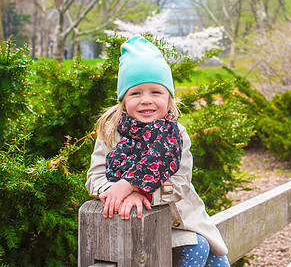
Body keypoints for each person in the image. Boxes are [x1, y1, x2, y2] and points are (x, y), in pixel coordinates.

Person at [86, 36, 230, 267]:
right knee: (198, 247)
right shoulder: (111, 132)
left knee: (213, 256)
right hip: (135, 225)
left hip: (180, 220)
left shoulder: (176, 134)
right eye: (135, 93)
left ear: (168, 97)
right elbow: (95, 176)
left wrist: (138, 188)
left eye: (155, 92)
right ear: (123, 100)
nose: (146, 100)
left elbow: (181, 182)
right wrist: (118, 191)